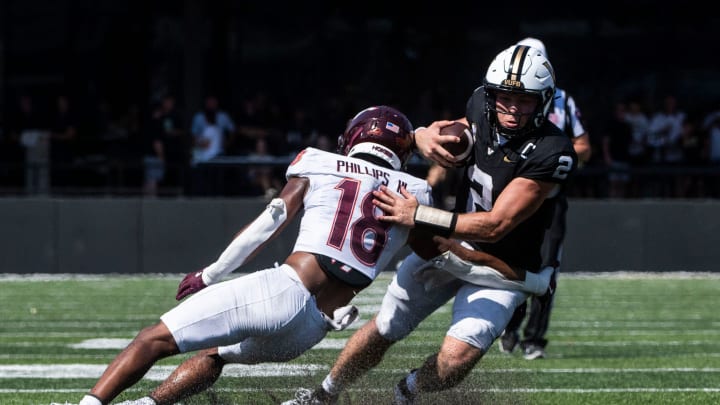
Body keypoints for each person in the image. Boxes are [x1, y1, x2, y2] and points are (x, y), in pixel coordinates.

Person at [65, 106, 441, 405]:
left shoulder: (320, 162)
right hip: (312, 329)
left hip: (284, 290)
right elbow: (436, 255)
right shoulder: (418, 195)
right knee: (217, 355)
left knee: (152, 339)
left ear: (353, 137)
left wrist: (210, 274)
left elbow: (271, 220)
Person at [282, 43, 577, 404]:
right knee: (387, 325)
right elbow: (458, 132)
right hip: (449, 247)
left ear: (545, 101)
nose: (512, 109)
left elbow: (495, 226)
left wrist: (418, 214)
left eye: (525, 100)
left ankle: (405, 393)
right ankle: (322, 397)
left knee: (457, 358)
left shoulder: (553, 151)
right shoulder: (481, 110)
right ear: (491, 94)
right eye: (504, 97)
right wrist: (421, 135)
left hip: (502, 265)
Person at [499, 37, 592, 360]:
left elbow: (583, 146)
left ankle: (534, 337)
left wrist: (554, 160)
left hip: (550, 199)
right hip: (514, 197)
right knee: (512, 262)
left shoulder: (563, 101)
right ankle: (509, 325)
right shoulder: (502, 99)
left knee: (548, 267)